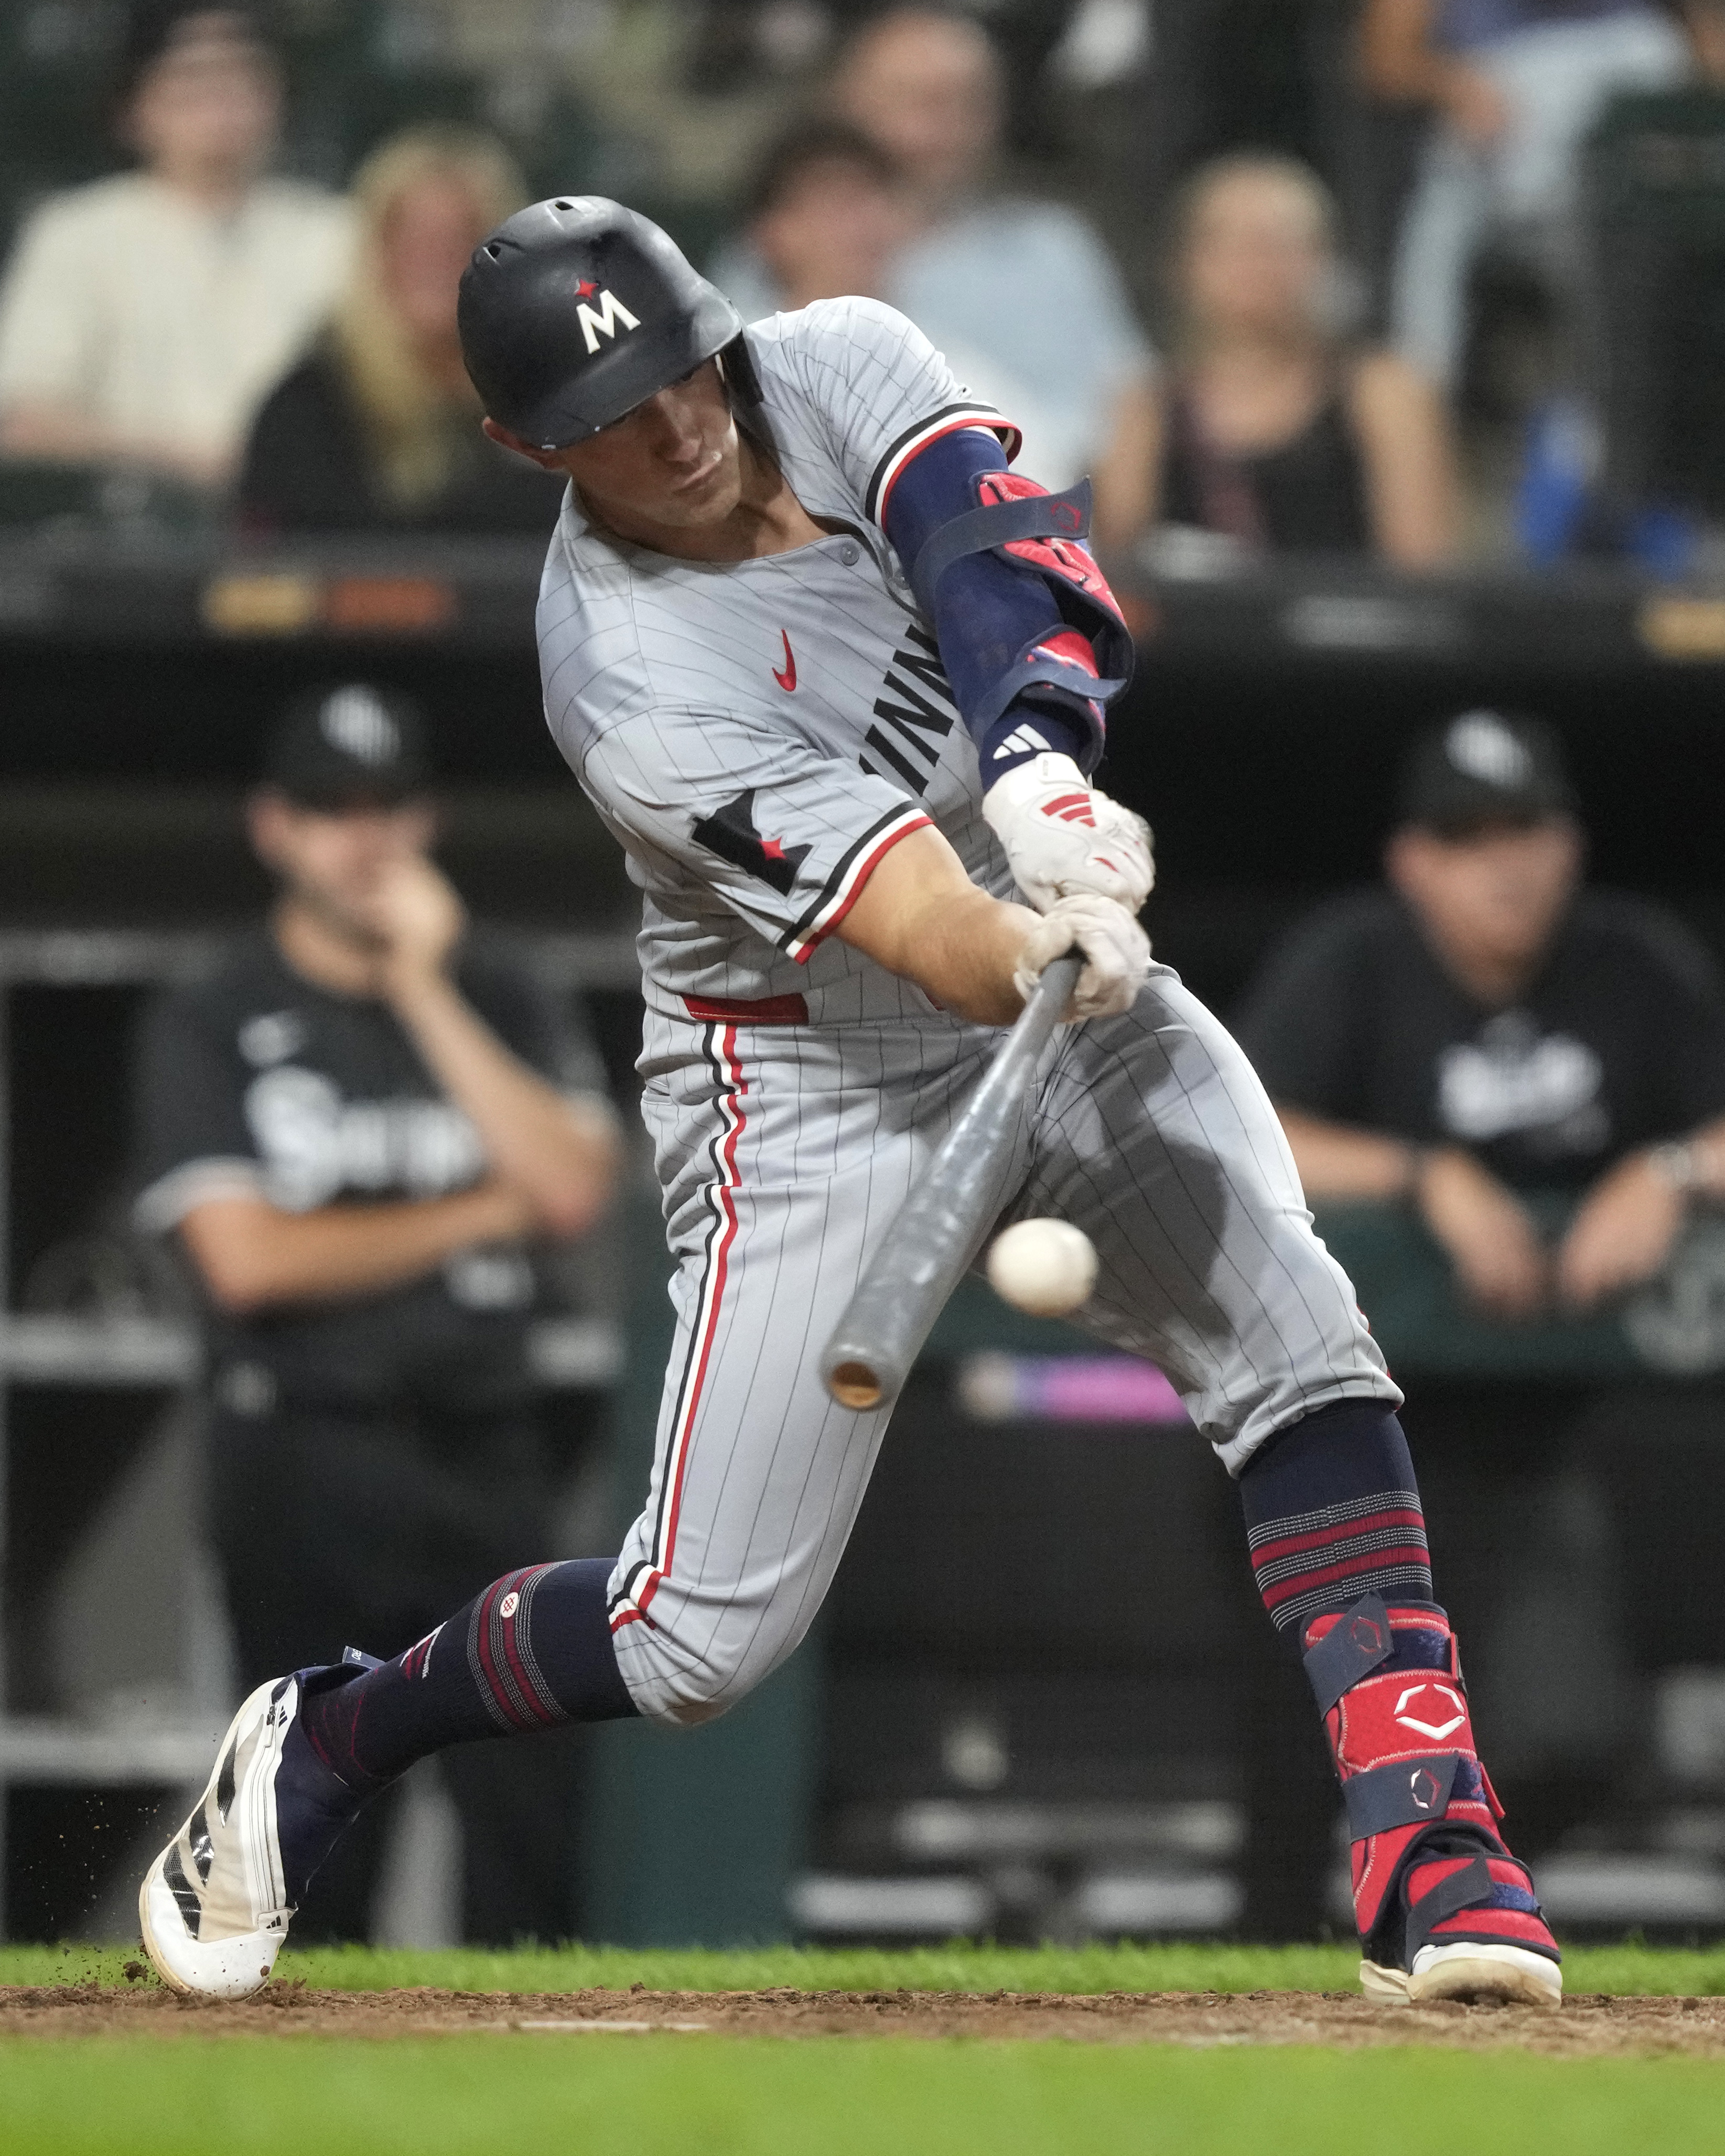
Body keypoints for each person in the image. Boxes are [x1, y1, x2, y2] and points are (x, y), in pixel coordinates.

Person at [139, 198, 1562, 2013]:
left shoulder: (829, 361)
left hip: (1058, 942)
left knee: (1306, 1345)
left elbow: (991, 554)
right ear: (525, 450)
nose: (675, 425)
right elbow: (927, 933)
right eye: (613, 418)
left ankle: (1429, 1840)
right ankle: (333, 1729)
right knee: (694, 1640)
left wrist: (1042, 773)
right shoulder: (632, 684)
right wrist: (1028, 913)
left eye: (679, 366)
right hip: (809, 1073)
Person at [132, 682, 621, 1942]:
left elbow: (569, 1190)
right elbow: (243, 1261)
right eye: (328, 810)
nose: (363, 840)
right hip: (308, 1452)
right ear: (274, 828)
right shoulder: (216, 1011)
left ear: (426, 819)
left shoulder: (497, 988)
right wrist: (475, 1210)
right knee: (316, 1843)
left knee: (532, 1830)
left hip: (487, 1453)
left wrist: (423, 991)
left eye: (386, 807)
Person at [1234, 709, 1725, 1320]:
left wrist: (1671, 1171)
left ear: (1568, 845)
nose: (1502, 865)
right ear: (1410, 862)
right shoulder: (1350, 958)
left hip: (1617, 1362)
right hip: (1397, 1369)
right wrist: (1424, 1175)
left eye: (1522, 828)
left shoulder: (1635, 958)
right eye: (1463, 836)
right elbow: (1238, 1140)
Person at [711, 6, 1154, 492]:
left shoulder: (1051, 245)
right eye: (919, 101)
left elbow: (1134, 397)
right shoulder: (775, 254)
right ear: (847, 106)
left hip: (1044, 516)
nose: (947, 126)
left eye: (969, 103)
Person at [0, 3, 350, 494]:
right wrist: (196, 461)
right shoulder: (78, 235)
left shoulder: (340, 234)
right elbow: (26, 419)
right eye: (193, 80)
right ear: (134, 107)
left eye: (242, 77)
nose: (220, 100)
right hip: (133, 531)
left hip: (313, 528)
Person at [1091, 155, 1460, 567]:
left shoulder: (1383, 393)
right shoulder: (1146, 408)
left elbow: (1425, 577)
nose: (1255, 266)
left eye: (1278, 244)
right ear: (1184, 266)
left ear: (1324, 262)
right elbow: (1116, 574)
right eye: (1230, 244)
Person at [236, 127, 567, 536]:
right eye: (412, 239)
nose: (435, 261)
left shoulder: (561, 395)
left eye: (461, 239)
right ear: (374, 253)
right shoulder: (309, 409)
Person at [1358, 0, 1689, 391]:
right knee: (1437, 235)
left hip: (1623, 105)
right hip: (1501, 112)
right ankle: (1421, 399)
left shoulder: (1643, 35)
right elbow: (1384, 60)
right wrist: (1453, 86)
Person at [715, 120, 911, 321]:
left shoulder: (932, 348)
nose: (872, 220)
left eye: (880, 201)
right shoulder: (732, 348)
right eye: (843, 202)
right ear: (774, 232)